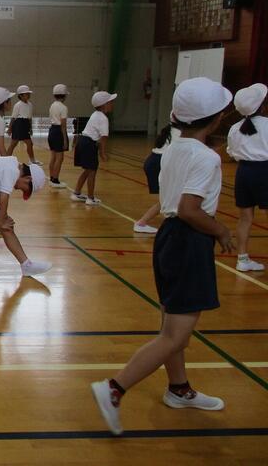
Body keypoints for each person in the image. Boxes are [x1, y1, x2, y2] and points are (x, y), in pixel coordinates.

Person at [91, 77, 233, 436]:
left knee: (171, 325)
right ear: (216, 118)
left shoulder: (172, 147)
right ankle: (115, 388)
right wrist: (221, 231)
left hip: (169, 238)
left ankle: (178, 389)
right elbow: (189, 209)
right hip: (189, 240)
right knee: (175, 336)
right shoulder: (206, 157)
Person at [226, 82, 268, 272]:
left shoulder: (235, 128)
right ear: (262, 105)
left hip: (243, 172)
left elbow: (231, 152)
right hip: (265, 171)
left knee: (245, 218)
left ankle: (242, 259)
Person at [71, 91, 117, 206]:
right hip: (89, 144)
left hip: (82, 142)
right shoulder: (103, 119)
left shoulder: (95, 114)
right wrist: (102, 153)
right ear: (104, 105)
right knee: (92, 171)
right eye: (110, 102)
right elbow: (103, 138)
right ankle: (90, 198)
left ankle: (76, 193)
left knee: (87, 170)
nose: (112, 104)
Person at [133, 124, 179, 234]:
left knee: (168, 198)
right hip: (160, 163)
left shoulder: (173, 129)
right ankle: (141, 223)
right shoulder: (180, 132)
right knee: (168, 198)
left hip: (155, 160)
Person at [7, 85, 39, 165]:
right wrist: (10, 128)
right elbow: (13, 118)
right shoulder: (17, 105)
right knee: (13, 144)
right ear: (20, 96)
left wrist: (30, 128)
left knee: (30, 143)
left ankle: (32, 160)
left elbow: (30, 118)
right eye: (26, 94)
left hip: (26, 124)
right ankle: (5, 159)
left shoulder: (30, 105)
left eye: (29, 93)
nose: (28, 95)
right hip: (18, 124)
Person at [47, 84, 70, 188]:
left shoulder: (52, 105)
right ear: (64, 95)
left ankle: (52, 178)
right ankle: (55, 180)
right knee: (59, 158)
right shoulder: (63, 107)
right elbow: (63, 125)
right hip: (58, 132)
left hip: (52, 130)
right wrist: (65, 139)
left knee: (53, 156)